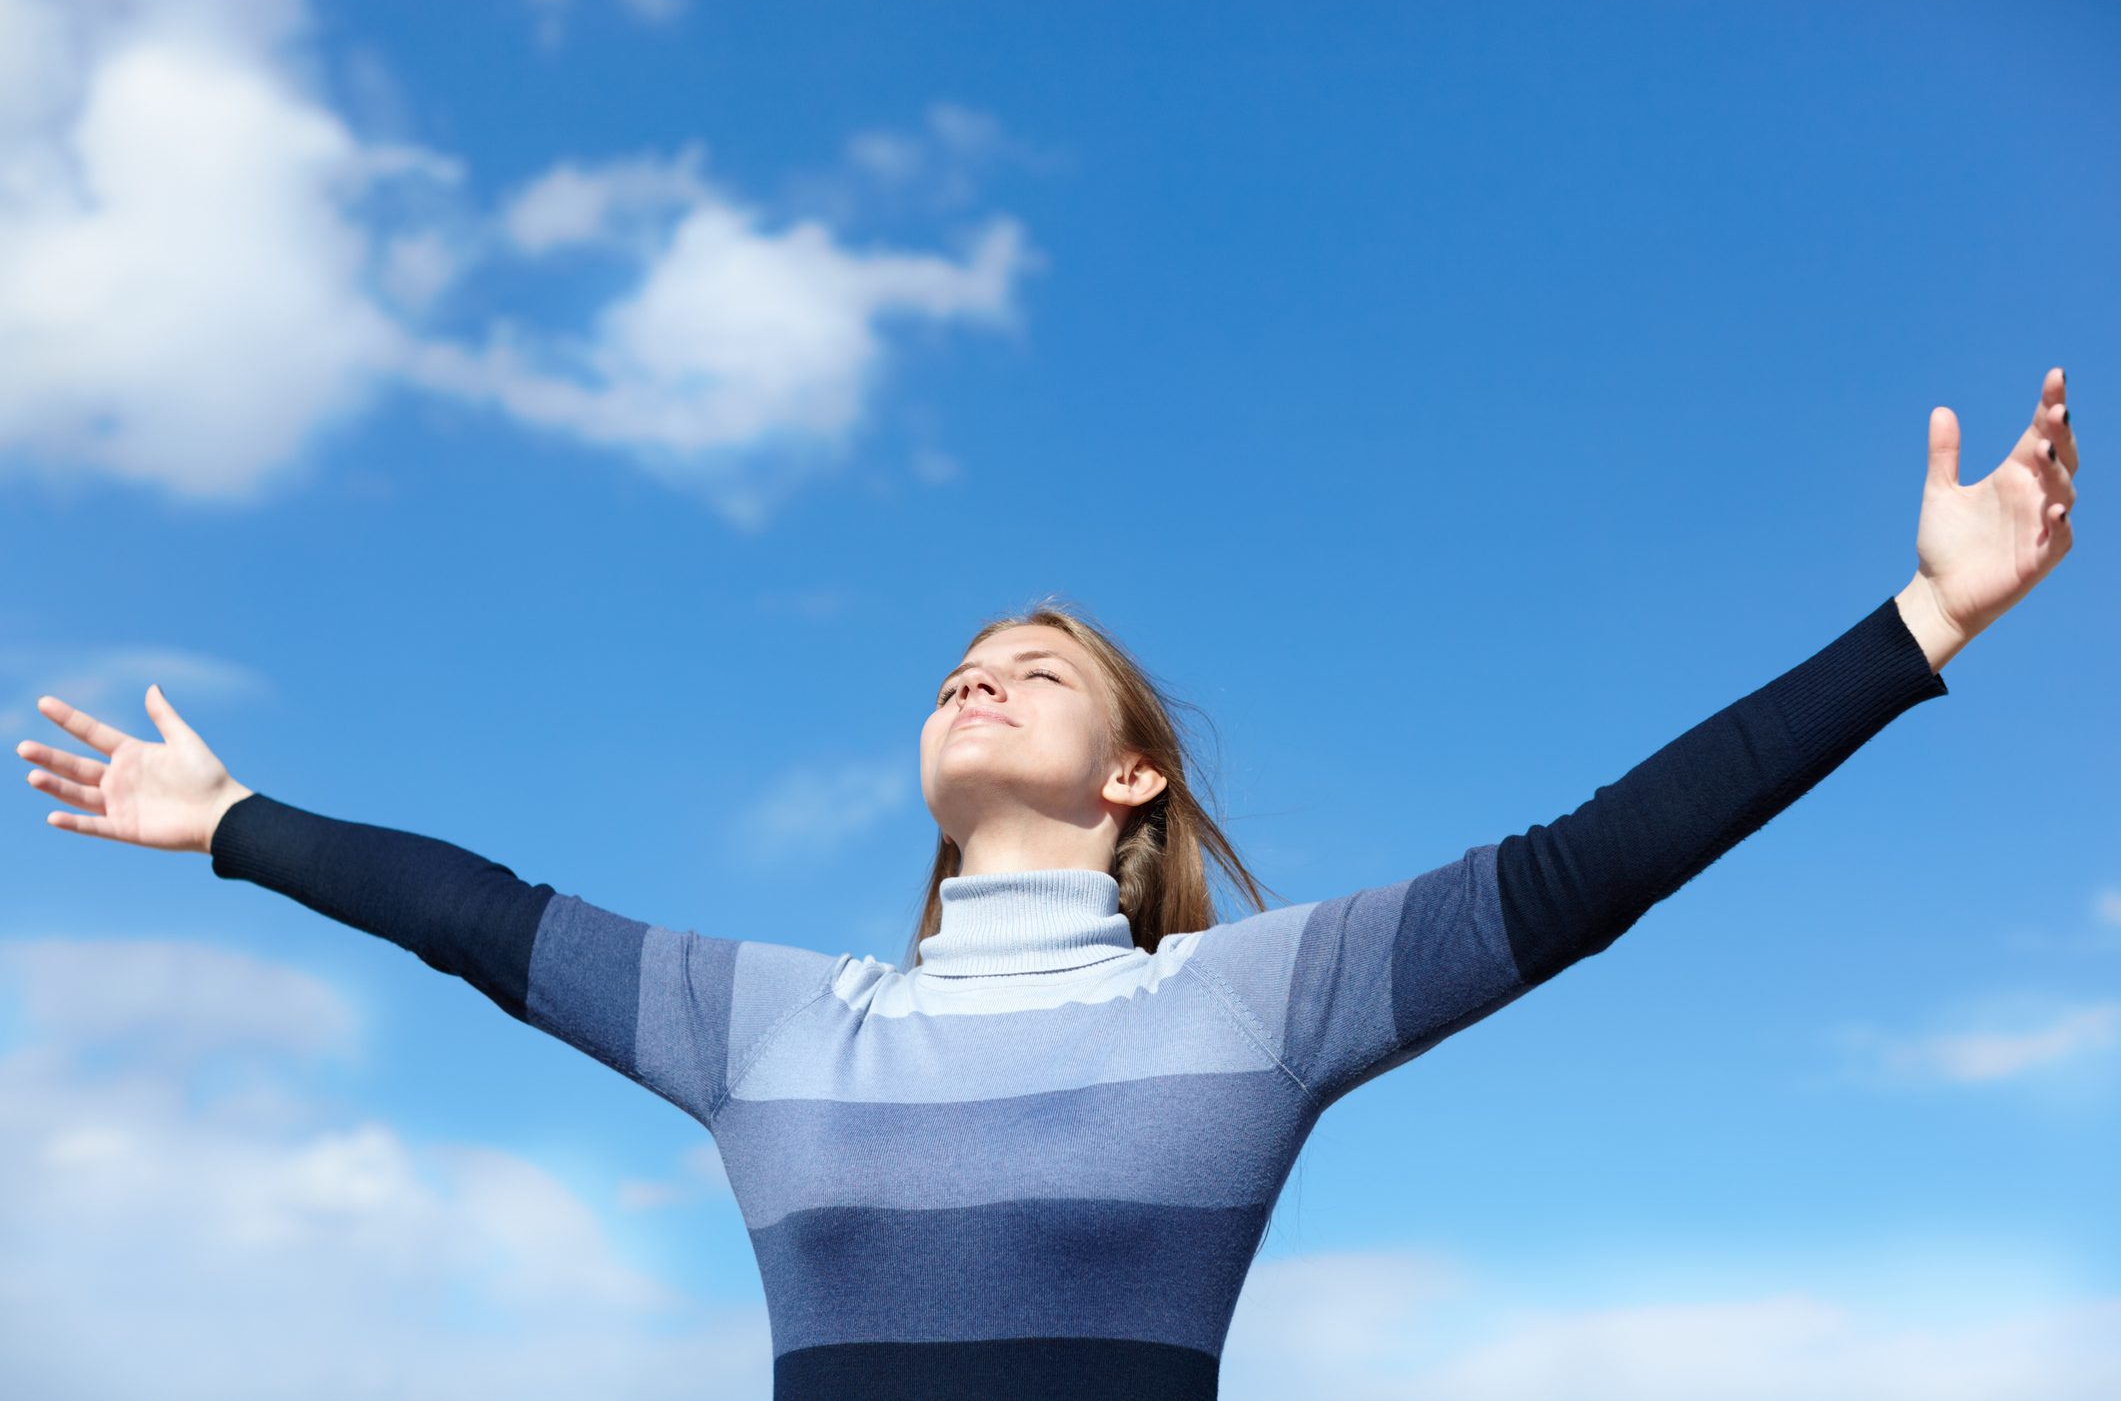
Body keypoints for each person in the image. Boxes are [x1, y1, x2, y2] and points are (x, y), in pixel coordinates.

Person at [16, 374, 2079, 1399]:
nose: (974, 663)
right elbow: (481, 915)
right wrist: (233, 820)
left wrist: (1918, 617)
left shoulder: (1257, 1001)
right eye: (953, 661)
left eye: (1038, 659)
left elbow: (1599, 856)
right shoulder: (769, 1024)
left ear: (1129, 768)